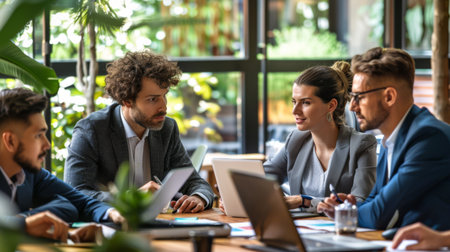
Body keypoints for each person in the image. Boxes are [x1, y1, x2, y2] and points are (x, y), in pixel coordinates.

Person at [64, 50, 214, 213]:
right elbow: (76, 193)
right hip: (109, 228)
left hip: (158, 225)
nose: (163, 106)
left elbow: (194, 181)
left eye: (164, 96)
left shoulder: (166, 129)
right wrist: (131, 197)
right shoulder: (91, 130)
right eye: (152, 99)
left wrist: (198, 197)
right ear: (127, 100)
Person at [317, 47, 450, 230]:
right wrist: (349, 207)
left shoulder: (428, 138)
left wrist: (345, 213)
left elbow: (380, 214)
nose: (352, 107)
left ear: (389, 97)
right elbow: (376, 199)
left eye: (358, 97)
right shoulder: (392, 137)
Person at [0, 88, 123, 242]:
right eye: (38, 135)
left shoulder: (28, 173)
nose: (47, 145)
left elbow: (81, 202)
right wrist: (23, 224)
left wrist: (113, 213)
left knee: (66, 205)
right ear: (10, 141)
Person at [263, 61, 377, 212]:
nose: (295, 111)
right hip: (301, 229)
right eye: (294, 102)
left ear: (331, 106)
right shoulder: (296, 140)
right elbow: (262, 179)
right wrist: (233, 192)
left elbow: (361, 201)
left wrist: (305, 201)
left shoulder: (362, 145)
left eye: (306, 103)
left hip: (341, 231)